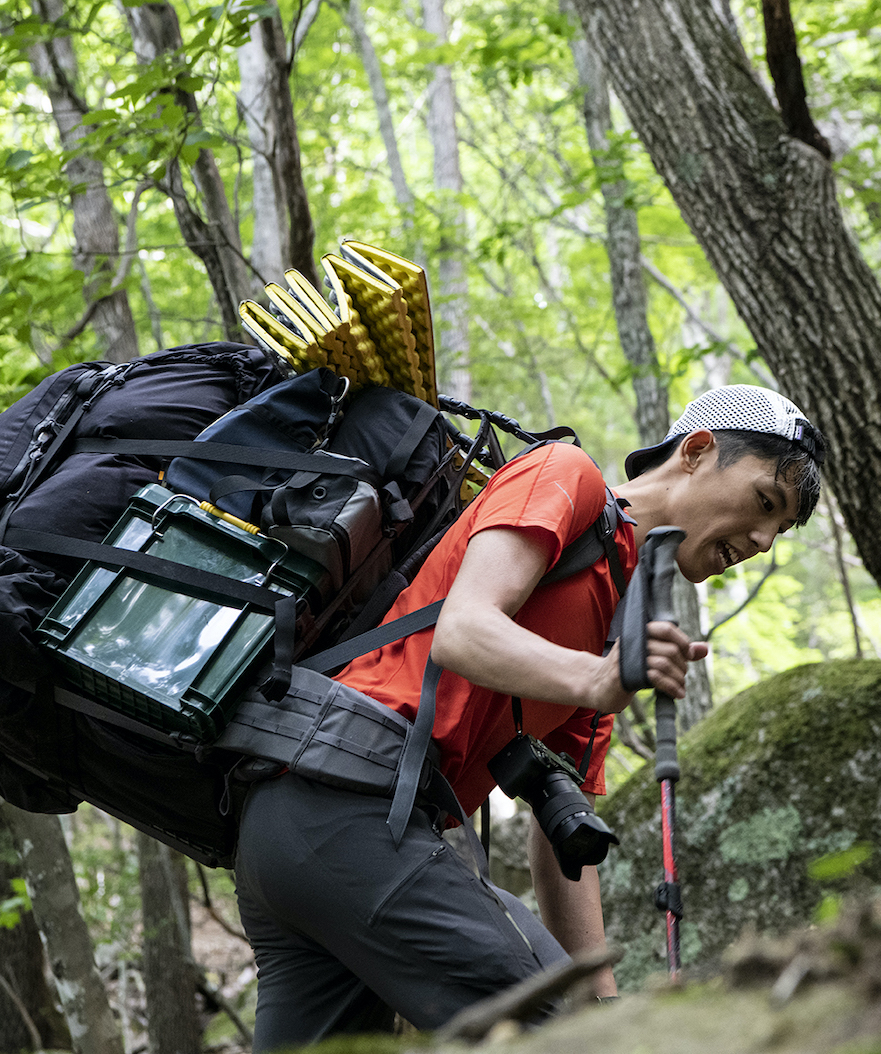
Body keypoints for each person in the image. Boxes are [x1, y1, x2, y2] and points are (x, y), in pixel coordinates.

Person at [232, 385, 827, 1047]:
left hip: (302, 834)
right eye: (766, 503)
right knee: (565, 1035)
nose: (765, 540)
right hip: (346, 803)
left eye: (779, 529)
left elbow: (561, 838)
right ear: (695, 451)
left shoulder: (622, 616)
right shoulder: (563, 475)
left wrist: (605, 1001)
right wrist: (599, 677)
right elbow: (465, 629)